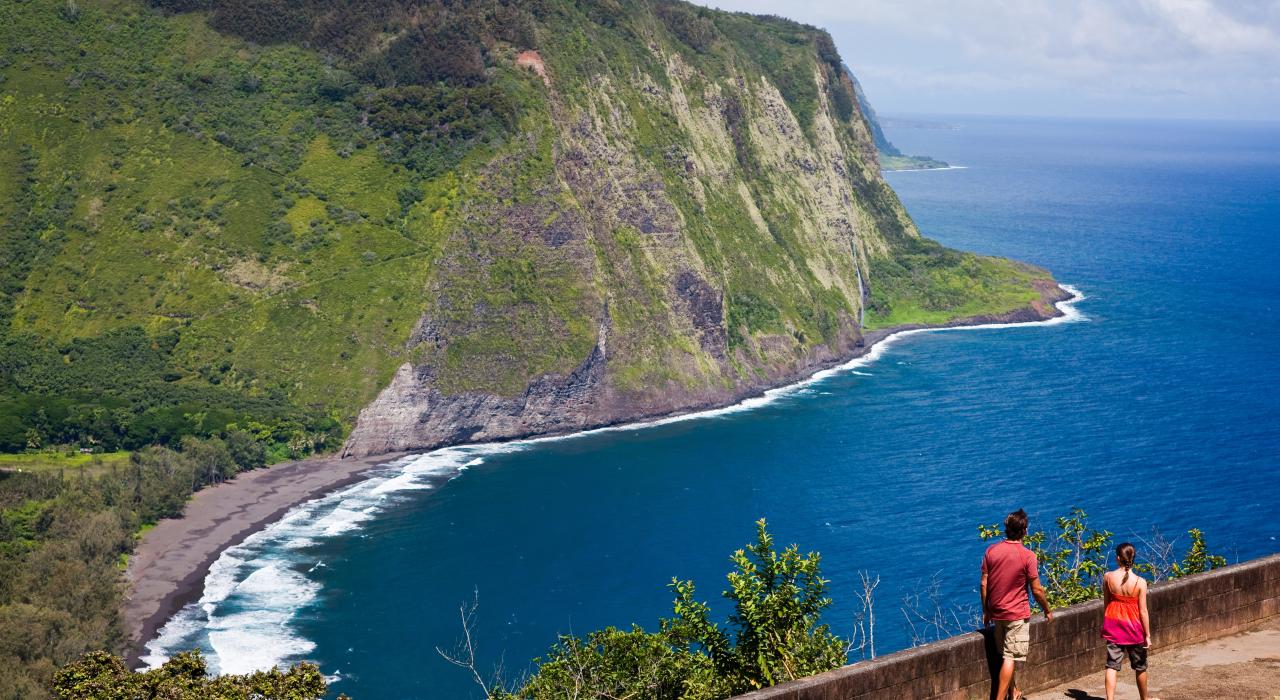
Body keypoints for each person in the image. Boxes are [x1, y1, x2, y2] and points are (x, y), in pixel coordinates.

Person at [981, 508, 1053, 700]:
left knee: (1006, 653)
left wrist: (986, 610)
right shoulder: (1027, 555)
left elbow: (984, 582)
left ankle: (1014, 692)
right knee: (1010, 657)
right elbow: (1037, 589)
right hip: (1016, 614)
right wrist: (1047, 609)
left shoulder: (991, 551)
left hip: (997, 613)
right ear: (1024, 531)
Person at [1101, 542, 1160, 700]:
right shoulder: (1140, 582)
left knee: (1112, 665)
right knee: (1140, 666)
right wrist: (1147, 634)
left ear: (1118, 558)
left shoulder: (1108, 577)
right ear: (1133, 559)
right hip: (1134, 628)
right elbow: (1143, 611)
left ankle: (1110, 699)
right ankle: (1144, 699)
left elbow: (1106, 603)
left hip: (1113, 625)